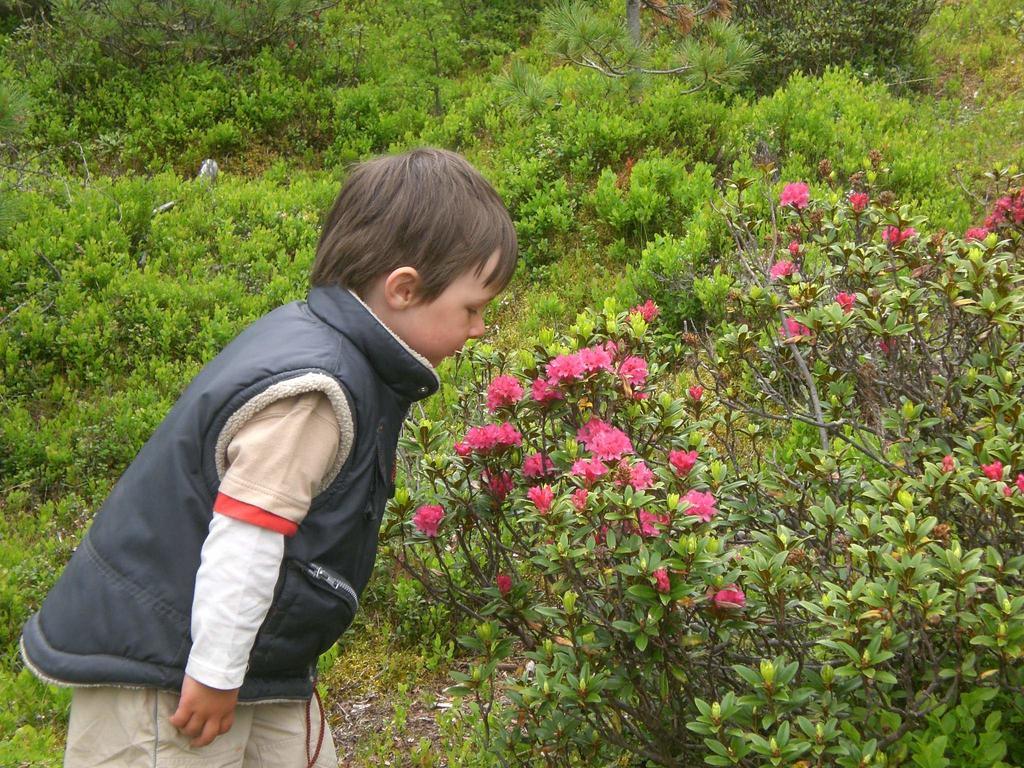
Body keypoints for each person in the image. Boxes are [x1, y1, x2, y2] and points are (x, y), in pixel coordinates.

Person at [19, 147, 518, 767]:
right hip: (170, 669)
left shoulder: (343, 354)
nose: (478, 329)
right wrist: (215, 673)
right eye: (472, 309)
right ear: (404, 289)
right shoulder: (316, 393)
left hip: (253, 659)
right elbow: (246, 539)